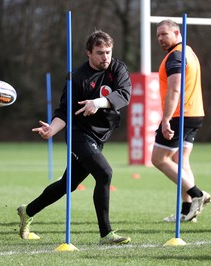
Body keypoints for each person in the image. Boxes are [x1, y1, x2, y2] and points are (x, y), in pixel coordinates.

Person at [17, 30, 131, 245]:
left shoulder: (117, 68)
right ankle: (106, 234)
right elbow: (64, 112)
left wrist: (97, 103)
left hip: (100, 136)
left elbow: (124, 94)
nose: (105, 57)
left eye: (108, 52)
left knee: (67, 184)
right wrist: (51, 129)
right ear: (88, 52)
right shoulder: (77, 77)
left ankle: (27, 210)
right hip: (80, 135)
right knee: (105, 174)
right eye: (99, 53)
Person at [151, 19, 211, 223]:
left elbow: (175, 89)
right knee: (180, 161)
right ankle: (188, 212)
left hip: (180, 114)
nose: (160, 38)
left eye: (164, 34)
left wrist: (166, 119)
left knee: (158, 159)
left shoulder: (175, 56)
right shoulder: (189, 51)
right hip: (195, 113)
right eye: (158, 34)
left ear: (177, 32)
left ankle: (197, 194)